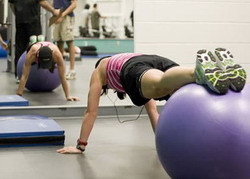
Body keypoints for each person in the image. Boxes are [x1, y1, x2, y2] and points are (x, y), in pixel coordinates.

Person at [57, 48, 246, 154]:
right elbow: (153, 112)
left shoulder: (100, 70)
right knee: (177, 88)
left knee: (160, 84)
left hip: (131, 67)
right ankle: (218, 75)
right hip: (155, 58)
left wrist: (81, 146)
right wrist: (163, 142)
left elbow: (91, 112)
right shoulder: (123, 58)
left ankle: (197, 71)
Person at [8, 0, 59, 83]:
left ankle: (19, 75)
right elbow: (42, 2)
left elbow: (11, 5)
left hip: (20, 21)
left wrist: (18, 14)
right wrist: (53, 11)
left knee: (20, 47)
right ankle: (38, 74)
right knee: (36, 47)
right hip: (33, 21)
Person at [53, 0, 77, 80]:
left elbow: (74, 4)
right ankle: (61, 69)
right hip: (57, 16)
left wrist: (62, 15)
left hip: (67, 16)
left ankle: (72, 71)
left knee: (69, 42)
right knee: (59, 42)